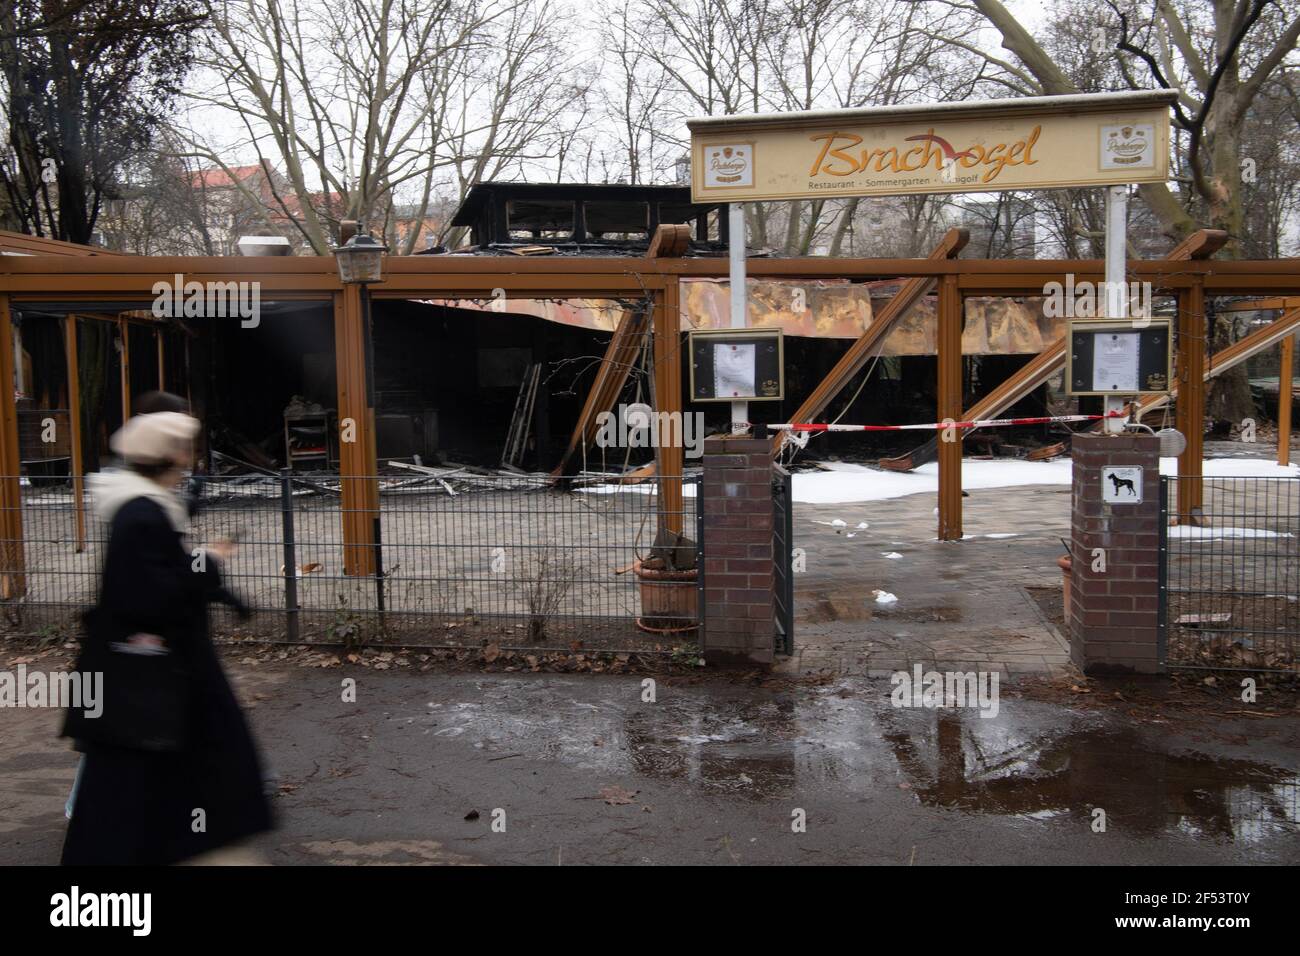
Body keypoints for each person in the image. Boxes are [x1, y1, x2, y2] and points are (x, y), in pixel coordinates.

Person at [60, 408, 273, 864]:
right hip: (155, 678)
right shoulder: (143, 514)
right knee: (149, 780)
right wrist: (210, 561)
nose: (192, 457)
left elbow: (156, 578)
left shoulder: (145, 507)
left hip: (150, 678)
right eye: (187, 448)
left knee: (139, 785)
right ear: (173, 454)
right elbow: (150, 594)